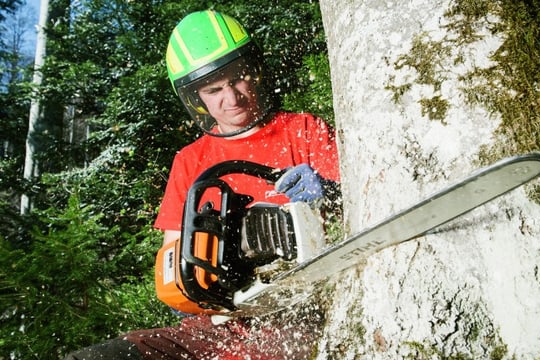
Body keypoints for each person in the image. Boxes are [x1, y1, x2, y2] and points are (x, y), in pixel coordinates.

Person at [65, 9, 340, 360]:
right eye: (214, 89)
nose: (232, 96)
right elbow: (176, 260)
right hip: (221, 321)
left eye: (238, 79)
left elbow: (364, 205)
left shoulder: (303, 129)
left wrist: (329, 193)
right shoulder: (190, 160)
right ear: (197, 98)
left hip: (300, 311)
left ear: (255, 72)